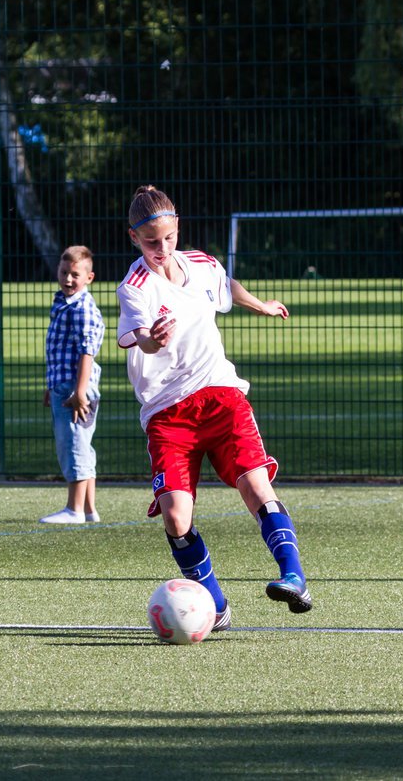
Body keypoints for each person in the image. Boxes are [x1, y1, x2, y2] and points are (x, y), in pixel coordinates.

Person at [116, 185, 312, 631]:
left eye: (168, 238)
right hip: (168, 412)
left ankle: (294, 578)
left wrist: (259, 304)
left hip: (221, 395)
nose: (162, 249)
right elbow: (138, 335)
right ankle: (216, 608)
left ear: (177, 228)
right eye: (151, 242)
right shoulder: (134, 287)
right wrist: (153, 339)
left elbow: (226, 287)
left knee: (255, 485)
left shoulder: (201, 264)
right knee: (175, 516)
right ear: (133, 238)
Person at [39, 245, 106, 524]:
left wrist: (79, 391)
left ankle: (74, 509)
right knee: (81, 445)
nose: (67, 279)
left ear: (89, 277)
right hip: (63, 384)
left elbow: (86, 352)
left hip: (75, 389)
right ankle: (89, 509)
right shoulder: (64, 302)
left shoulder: (82, 308)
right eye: (64, 272)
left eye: (75, 275)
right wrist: (51, 385)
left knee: (73, 444)